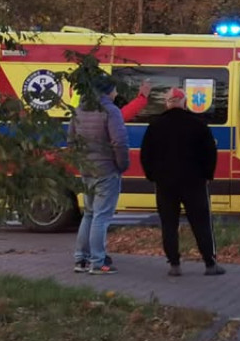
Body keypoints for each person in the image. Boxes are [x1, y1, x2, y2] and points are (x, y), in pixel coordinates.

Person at [140, 87, 226, 277]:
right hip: (194, 182)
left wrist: (152, 176)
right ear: (184, 102)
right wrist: (207, 175)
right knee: (201, 222)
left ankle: (174, 264)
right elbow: (210, 153)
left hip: (165, 183)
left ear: (167, 103)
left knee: (169, 223)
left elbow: (145, 154)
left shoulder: (155, 125)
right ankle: (209, 263)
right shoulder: (198, 124)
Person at [69, 74, 129, 275]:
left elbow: (71, 141)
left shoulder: (79, 109)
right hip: (106, 169)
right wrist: (121, 165)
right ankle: (98, 262)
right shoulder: (111, 111)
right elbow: (119, 142)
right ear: (107, 91)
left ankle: (81, 259)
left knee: (89, 213)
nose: (117, 93)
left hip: (87, 169)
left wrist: (81, 163)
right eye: (114, 89)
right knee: (101, 217)